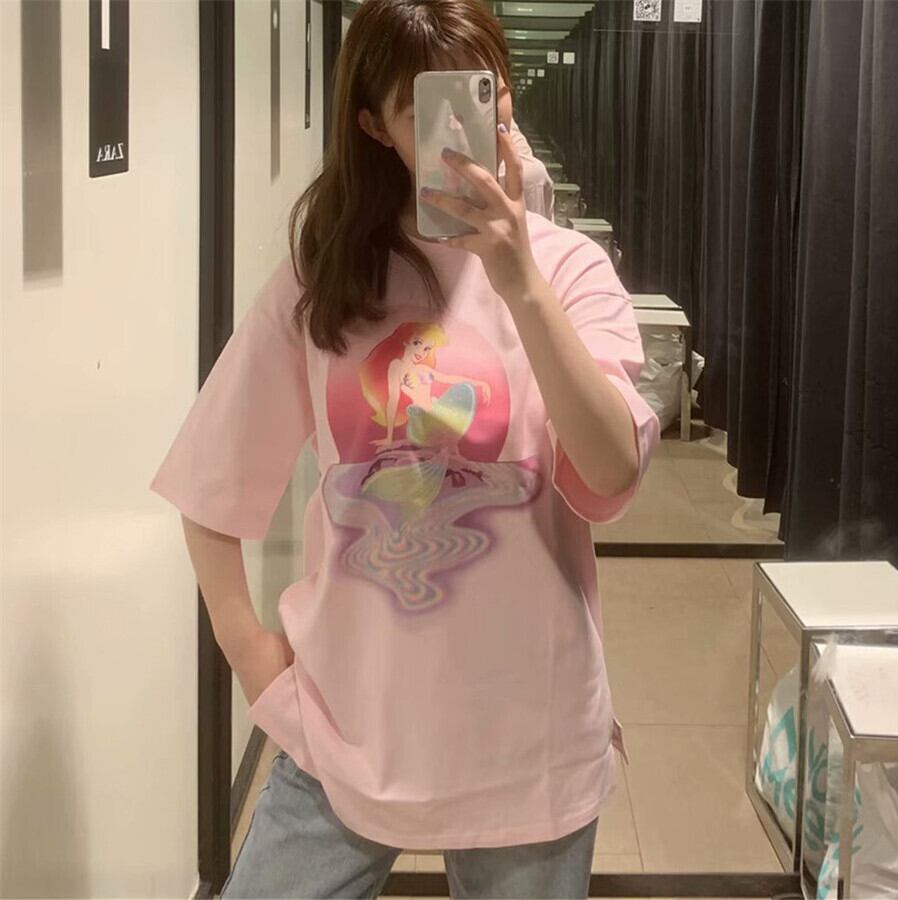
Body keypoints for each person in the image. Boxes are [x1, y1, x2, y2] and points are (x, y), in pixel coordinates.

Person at [149, 0, 660, 896]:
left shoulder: (569, 271)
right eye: (423, 105)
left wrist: (518, 278)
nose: (464, 126)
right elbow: (210, 480)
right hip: (344, 729)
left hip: (528, 742)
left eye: (481, 91)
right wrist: (252, 657)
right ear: (376, 127)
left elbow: (612, 470)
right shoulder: (326, 280)